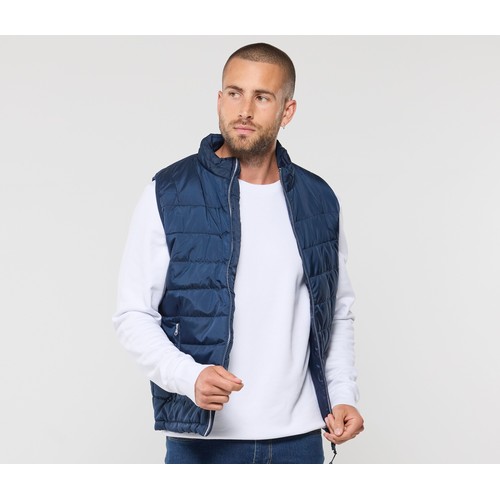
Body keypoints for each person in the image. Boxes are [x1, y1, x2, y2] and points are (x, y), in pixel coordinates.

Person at [112, 42, 364, 464]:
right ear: (219, 99)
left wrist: (343, 394)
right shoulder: (170, 192)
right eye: (234, 93)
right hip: (203, 445)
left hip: (299, 442)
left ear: (287, 111)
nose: (244, 110)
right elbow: (133, 314)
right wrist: (188, 376)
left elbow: (336, 312)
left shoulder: (318, 200)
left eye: (262, 97)